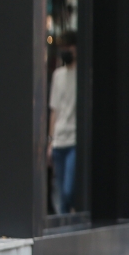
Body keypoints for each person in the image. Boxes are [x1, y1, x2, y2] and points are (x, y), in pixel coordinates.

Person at [48, 31, 78, 215]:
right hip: (59, 139)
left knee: (69, 189)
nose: (65, 51)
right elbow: (54, 110)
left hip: (75, 139)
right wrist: (50, 140)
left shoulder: (82, 75)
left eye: (69, 47)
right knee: (59, 191)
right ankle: (65, 224)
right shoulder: (58, 75)